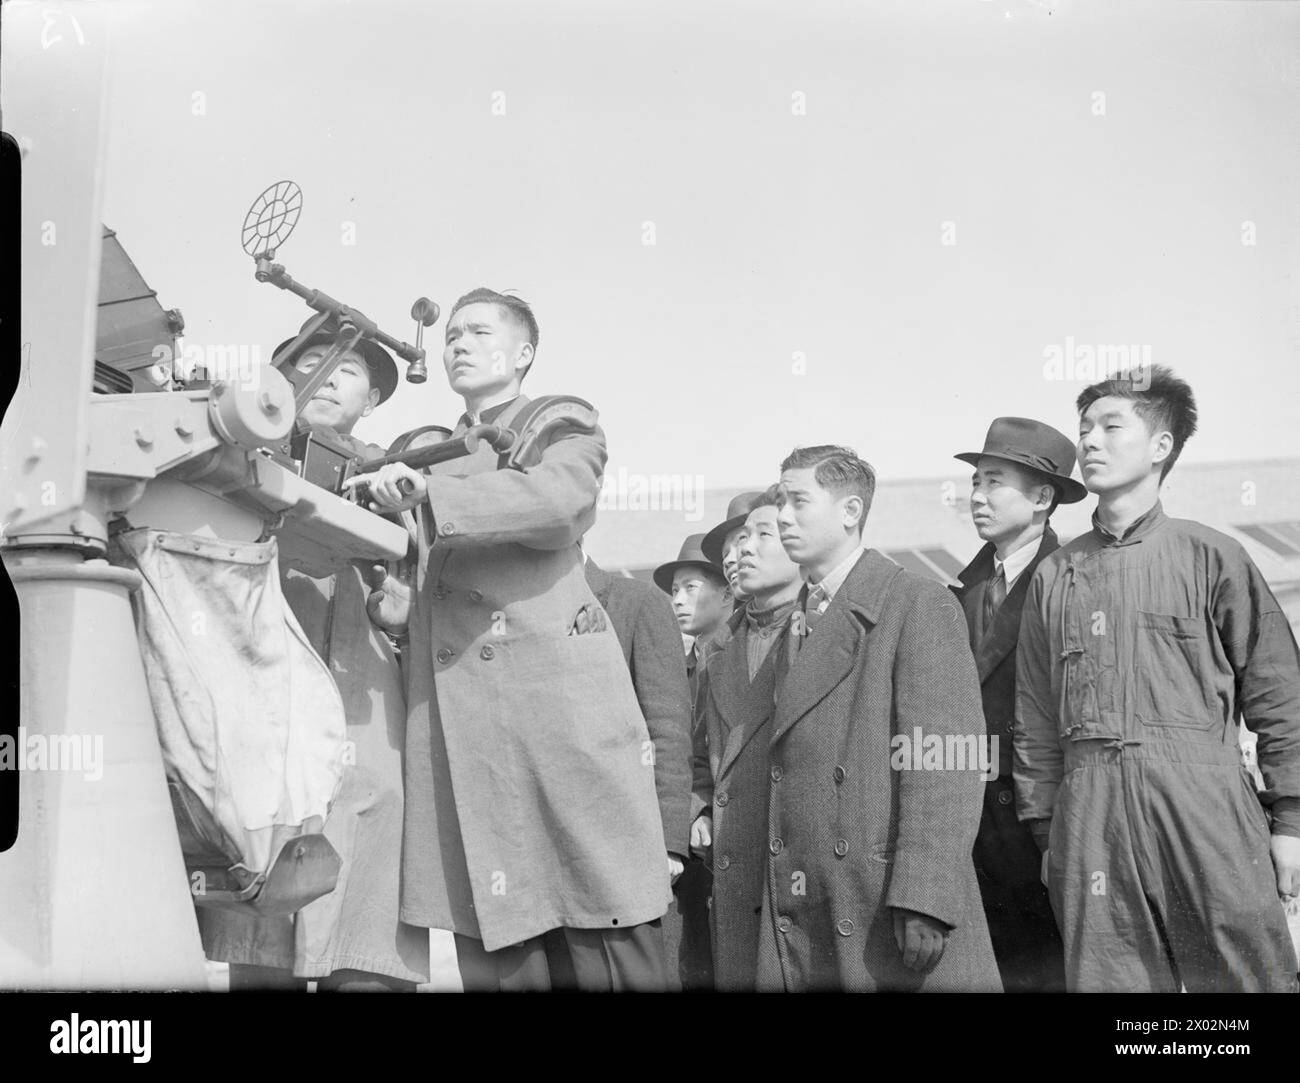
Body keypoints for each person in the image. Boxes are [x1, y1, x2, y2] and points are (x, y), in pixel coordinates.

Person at [347, 288, 675, 992]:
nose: (457, 343)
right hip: (468, 749)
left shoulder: (561, 423)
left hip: (555, 731)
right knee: (501, 954)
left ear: (522, 353)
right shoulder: (428, 455)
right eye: (452, 334)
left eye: (477, 332)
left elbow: (559, 504)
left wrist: (430, 498)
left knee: (606, 935)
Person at [1014, 365, 1300, 992]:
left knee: (1246, 979)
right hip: (1089, 814)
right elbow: (1034, 715)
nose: (1089, 440)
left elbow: (1279, 695)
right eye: (1083, 427)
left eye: (1111, 426)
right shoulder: (1055, 575)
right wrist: (1049, 829)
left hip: (1206, 802)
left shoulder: (1211, 555)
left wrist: (1290, 822)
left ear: (1161, 447)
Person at [201, 329, 430, 991]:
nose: (329, 376)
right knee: (264, 952)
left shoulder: (406, 483)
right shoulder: (234, 458)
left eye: (351, 370)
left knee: (369, 952)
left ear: (373, 399)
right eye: (311, 362)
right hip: (266, 735)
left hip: (371, 731)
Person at [756, 445, 1000, 991]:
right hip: (811, 894)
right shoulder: (795, 622)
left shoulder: (915, 603)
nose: (782, 517)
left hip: (882, 897)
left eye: (798, 501)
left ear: (849, 512)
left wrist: (925, 896)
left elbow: (945, 761)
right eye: (779, 502)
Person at [950, 417, 1078, 993]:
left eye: (994, 482)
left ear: (1043, 497)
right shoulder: (967, 587)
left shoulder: (1073, 580)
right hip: (969, 812)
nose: (977, 496)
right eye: (975, 481)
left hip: (1040, 814)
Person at [690, 486, 802, 989]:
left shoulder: (823, 629)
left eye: (755, 537)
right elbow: (698, 754)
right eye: (730, 546)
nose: (736, 555)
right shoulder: (719, 649)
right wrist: (700, 809)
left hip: (801, 861)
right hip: (737, 862)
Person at [581, 548, 695, 988]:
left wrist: (667, 839)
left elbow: (666, 725)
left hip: (625, 846)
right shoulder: (513, 610)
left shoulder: (636, 602)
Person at [655, 534, 733, 704]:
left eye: (690, 587)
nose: (677, 600)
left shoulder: (748, 660)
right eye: (675, 590)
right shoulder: (672, 675)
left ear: (727, 594)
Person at [701, 490, 765, 611]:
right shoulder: (733, 628)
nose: (727, 561)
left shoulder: (807, 617)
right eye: (724, 555)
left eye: (742, 539)